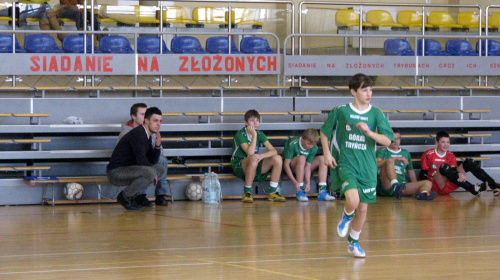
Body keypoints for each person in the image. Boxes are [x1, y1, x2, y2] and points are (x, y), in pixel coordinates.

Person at [320, 73, 394, 258]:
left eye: (370, 90)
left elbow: (387, 141)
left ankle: (353, 243)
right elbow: (324, 132)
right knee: (353, 201)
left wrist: (369, 132)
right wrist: (327, 153)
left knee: (363, 208)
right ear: (353, 91)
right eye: (364, 90)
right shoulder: (341, 110)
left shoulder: (376, 113)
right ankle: (346, 217)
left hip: (367, 166)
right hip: (346, 163)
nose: (369, 93)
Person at [107, 107, 166, 210]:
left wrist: (157, 145)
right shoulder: (138, 134)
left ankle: (134, 195)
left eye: (160, 121)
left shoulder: (147, 135)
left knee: (160, 170)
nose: (158, 124)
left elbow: (152, 160)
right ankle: (125, 196)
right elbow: (141, 160)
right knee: (151, 172)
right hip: (116, 172)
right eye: (155, 120)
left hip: (130, 170)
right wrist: (152, 173)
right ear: (146, 121)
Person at [420, 130, 499, 196]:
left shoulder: (450, 155)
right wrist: (425, 189)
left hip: (451, 183)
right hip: (436, 185)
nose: (446, 144)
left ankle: (494, 186)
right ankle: (473, 189)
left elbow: (453, 170)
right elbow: (423, 173)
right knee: (444, 167)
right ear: (436, 143)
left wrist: (459, 174)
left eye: (448, 142)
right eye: (443, 142)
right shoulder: (428, 154)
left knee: (469, 161)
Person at [231, 109, 285, 203]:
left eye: (257, 120)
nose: (255, 123)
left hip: (255, 161)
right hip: (239, 164)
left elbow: (274, 151)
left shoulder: (260, 133)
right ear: (246, 122)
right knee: (253, 158)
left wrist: (261, 156)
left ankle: (272, 192)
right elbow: (250, 152)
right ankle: (247, 192)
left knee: (278, 158)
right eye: (252, 120)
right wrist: (254, 136)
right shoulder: (240, 134)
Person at [376, 128, 437, 201]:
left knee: (427, 183)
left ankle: (423, 194)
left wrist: (415, 186)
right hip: (387, 185)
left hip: (402, 186)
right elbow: (376, 164)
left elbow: (410, 172)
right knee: (389, 161)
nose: (396, 141)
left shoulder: (405, 153)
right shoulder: (382, 152)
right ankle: (395, 185)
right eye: (393, 139)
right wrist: (396, 158)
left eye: (398, 138)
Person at [282, 128, 335, 202]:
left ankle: (322, 191)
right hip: (291, 168)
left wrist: (308, 183)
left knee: (323, 159)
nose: (310, 146)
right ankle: (299, 191)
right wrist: (295, 182)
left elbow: (308, 166)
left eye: (312, 144)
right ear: (303, 139)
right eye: (308, 143)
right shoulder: (292, 143)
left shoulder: (314, 148)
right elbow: (286, 164)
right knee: (302, 158)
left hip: (303, 168)